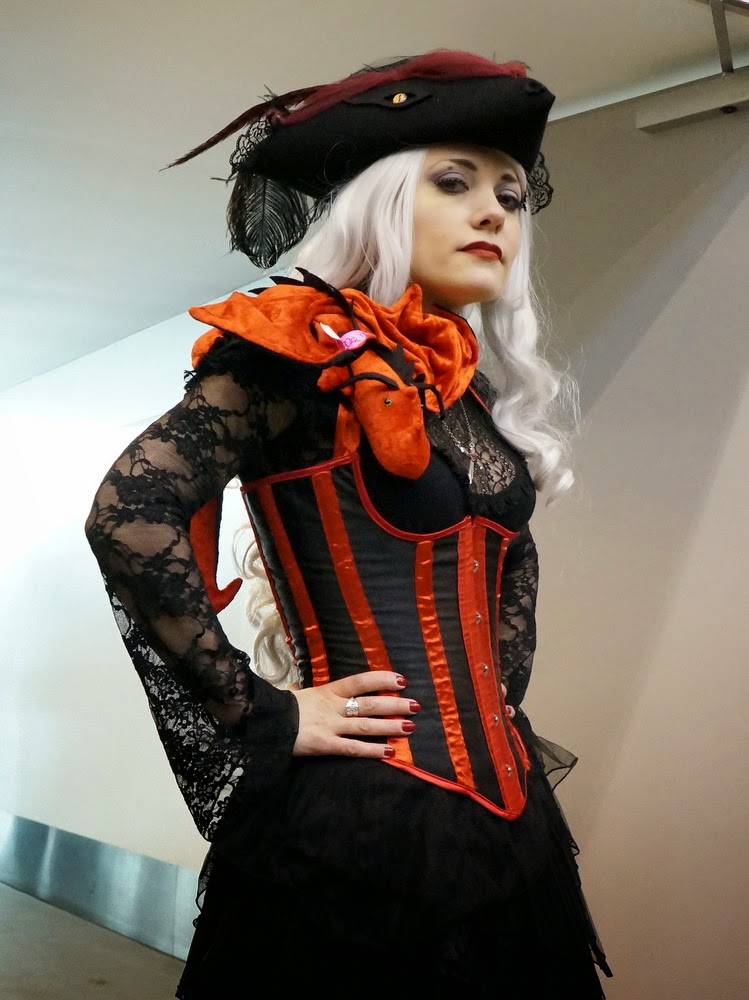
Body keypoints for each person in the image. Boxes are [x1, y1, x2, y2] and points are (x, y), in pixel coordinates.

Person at [85, 49, 613, 998]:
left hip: (507, 819)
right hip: (359, 826)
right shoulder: (298, 352)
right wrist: (258, 710)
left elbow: (508, 588)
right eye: (453, 183)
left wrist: (493, 712)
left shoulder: (467, 398)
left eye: (509, 195)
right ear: (379, 203)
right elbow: (130, 513)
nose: (494, 211)